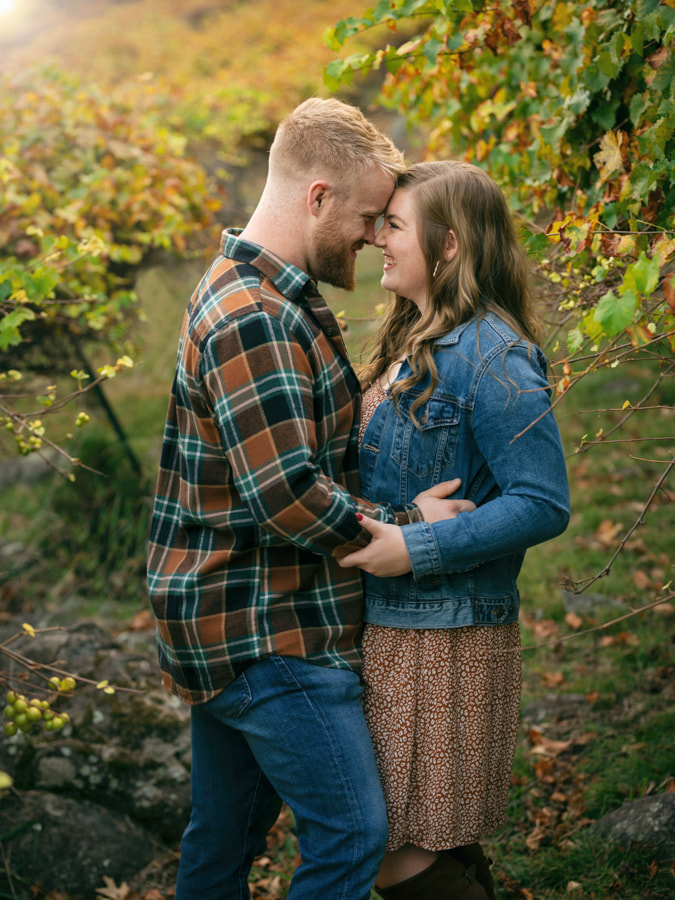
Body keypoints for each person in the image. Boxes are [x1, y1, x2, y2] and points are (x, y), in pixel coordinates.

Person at [147, 100, 472, 900]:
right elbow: (286, 494)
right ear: (317, 196)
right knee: (353, 832)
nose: (372, 235)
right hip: (266, 628)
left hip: (227, 616)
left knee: (222, 838)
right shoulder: (252, 316)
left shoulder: (261, 291)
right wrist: (409, 527)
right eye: (366, 216)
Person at [338, 160, 571, 900]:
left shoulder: (492, 353)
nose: (378, 238)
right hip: (398, 628)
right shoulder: (412, 337)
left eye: (395, 225)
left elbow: (541, 500)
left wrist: (416, 545)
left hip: (440, 635)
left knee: (386, 844)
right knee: (420, 833)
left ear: (447, 246)